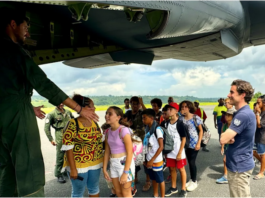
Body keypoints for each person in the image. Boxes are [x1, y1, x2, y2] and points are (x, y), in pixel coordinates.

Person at [0, 8, 98, 197]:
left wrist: (26, 106)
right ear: (13, 25)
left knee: (6, 169)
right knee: (29, 165)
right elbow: (42, 83)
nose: (27, 33)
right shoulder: (15, 51)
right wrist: (79, 108)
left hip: (6, 111)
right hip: (16, 115)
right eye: (25, 27)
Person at [61, 95, 103, 197]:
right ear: (82, 108)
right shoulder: (73, 123)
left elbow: (99, 142)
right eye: (91, 107)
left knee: (94, 189)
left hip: (95, 163)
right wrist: (73, 169)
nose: (94, 109)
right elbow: (68, 147)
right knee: (78, 192)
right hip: (79, 165)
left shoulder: (95, 123)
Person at [220, 79, 256, 197]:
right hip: (240, 164)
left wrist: (226, 136)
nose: (228, 95)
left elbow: (223, 139)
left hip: (238, 168)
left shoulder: (243, 115)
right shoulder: (241, 112)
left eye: (232, 92)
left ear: (243, 95)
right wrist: (229, 137)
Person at [103, 106, 135, 198]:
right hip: (113, 163)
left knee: (126, 193)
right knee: (118, 192)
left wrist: (125, 172)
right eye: (106, 113)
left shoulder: (124, 130)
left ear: (118, 117)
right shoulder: (107, 132)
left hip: (124, 164)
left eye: (110, 114)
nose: (107, 116)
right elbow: (107, 152)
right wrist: (104, 169)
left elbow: (130, 153)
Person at [44, 103, 74, 183]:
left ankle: (69, 171)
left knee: (71, 153)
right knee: (60, 155)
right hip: (60, 135)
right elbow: (46, 128)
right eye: (59, 102)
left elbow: (74, 122)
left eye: (62, 102)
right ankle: (58, 174)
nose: (61, 104)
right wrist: (51, 139)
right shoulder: (51, 114)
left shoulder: (68, 112)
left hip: (70, 135)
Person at [164, 102, 187, 197]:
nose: (168, 111)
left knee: (181, 169)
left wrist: (180, 153)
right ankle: (173, 187)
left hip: (178, 151)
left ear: (176, 111)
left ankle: (183, 189)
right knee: (172, 169)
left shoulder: (180, 123)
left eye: (170, 109)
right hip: (170, 152)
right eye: (167, 109)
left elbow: (184, 139)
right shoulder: (165, 123)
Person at [179, 101, 203, 192]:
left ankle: (194, 181)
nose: (183, 108)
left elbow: (200, 131)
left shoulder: (195, 117)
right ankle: (191, 179)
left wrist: (199, 143)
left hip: (194, 143)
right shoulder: (181, 119)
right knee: (188, 161)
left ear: (189, 108)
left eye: (185, 106)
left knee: (192, 162)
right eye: (182, 106)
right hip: (185, 144)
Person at [125, 96, 147, 191]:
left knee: (145, 160)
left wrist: (142, 103)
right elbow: (121, 121)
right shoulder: (128, 113)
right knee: (132, 161)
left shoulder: (141, 112)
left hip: (141, 140)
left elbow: (149, 114)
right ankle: (135, 177)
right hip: (131, 140)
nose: (134, 106)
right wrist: (127, 125)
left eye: (136, 104)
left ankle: (148, 181)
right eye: (132, 104)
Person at [142, 109, 165, 198]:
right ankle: (156, 194)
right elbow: (146, 144)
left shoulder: (157, 129)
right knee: (153, 179)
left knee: (160, 179)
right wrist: (145, 159)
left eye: (144, 118)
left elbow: (161, 146)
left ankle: (162, 196)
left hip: (156, 160)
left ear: (151, 118)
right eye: (142, 118)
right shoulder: (147, 129)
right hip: (149, 158)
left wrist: (152, 160)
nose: (143, 120)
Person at [216, 108, 236, 184]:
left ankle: (228, 176)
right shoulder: (225, 125)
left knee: (228, 161)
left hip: (234, 147)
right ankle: (226, 175)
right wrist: (222, 147)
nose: (226, 117)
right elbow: (223, 138)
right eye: (226, 115)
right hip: (227, 147)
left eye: (229, 115)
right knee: (225, 160)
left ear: (233, 117)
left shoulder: (235, 126)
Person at [253, 95, 265, 180]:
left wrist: (257, 113)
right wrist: (256, 112)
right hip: (256, 135)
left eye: (258, 103)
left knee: (262, 154)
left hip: (262, 136)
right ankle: (263, 165)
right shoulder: (260, 112)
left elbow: (259, 125)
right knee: (253, 151)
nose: (257, 104)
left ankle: (261, 172)